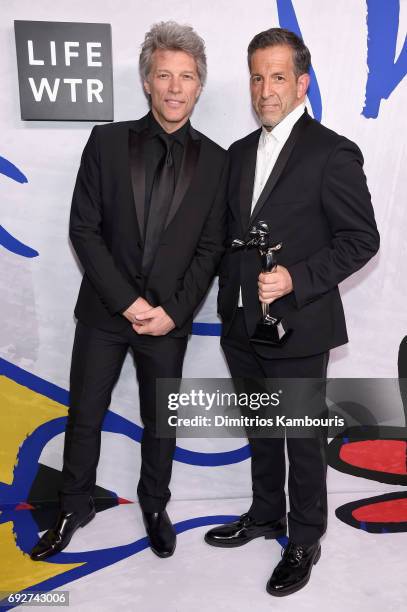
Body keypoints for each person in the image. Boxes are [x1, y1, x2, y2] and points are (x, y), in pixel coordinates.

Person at [30, 21, 226, 561]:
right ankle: (73, 504)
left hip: (169, 320)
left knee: (161, 421)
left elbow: (211, 249)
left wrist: (172, 312)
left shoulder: (217, 160)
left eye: (186, 76)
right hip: (103, 312)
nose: (174, 87)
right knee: (85, 413)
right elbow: (83, 229)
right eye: (164, 74)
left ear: (199, 85)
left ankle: (155, 505)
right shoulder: (107, 140)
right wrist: (128, 302)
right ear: (147, 81)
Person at [205, 27, 379, 596]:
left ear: (301, 83)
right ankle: (264, 515)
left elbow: (361, 239)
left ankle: (304, 537)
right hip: (240, 324)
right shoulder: (235, 155)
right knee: (261, 429)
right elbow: (225, 239)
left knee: (299, 438)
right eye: (257, 77)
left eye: (278, 76)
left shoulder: (332, 151)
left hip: (299, 324)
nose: (265, 89)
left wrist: (295, 278)